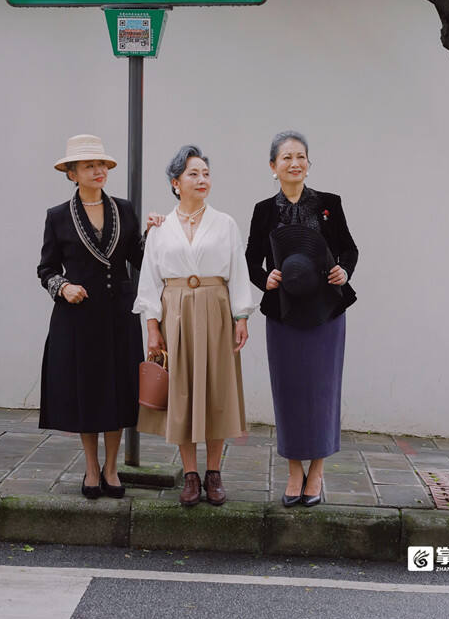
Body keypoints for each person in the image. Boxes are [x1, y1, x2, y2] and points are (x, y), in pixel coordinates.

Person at [38, 134, 159, 500]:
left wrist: (156, 234)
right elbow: (46, 269)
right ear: (72, 173)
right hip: (79, 317)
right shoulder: (57, 216)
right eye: (89, 165)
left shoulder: (124, 209)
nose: (98, 170)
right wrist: (63, 287)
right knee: (87, 391)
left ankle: (111, 468)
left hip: (119, 314)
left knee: (118, 391)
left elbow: (139, 256)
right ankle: (92, 468)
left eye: (102, 164)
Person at [133, 144, 254, 508]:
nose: (202, 180)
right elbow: (149, 280)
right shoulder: (160, 228)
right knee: (181, 392)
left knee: (216, 390)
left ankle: (213, 473)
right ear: (176, 183)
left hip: (216, 311)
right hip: (175, 313)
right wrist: (152, 326)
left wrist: (242, 316)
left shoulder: (225, 223)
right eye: (193, 174)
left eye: (206, 173)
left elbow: (238, 271)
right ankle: (190, 474)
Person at [246, 131, 359, 507]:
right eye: (287, 157)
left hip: (327, 312)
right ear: (273, 166)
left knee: (323, 391)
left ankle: (318, 472)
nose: (295, 163)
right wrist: (265, 279)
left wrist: (344, 270)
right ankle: (295, 471)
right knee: (289, 391)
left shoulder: (329, 204)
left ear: (309, 163)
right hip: (283, 313)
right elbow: (251, 259)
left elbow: (349, 249)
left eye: (301, 157)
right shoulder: (264, 210)